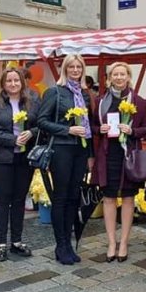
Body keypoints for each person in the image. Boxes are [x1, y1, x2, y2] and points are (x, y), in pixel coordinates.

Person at [39, 54, 94, 264]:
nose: (75, 70)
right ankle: (60, 244)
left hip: (80, 150)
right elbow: (42, 121)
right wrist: (67, 129)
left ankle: (69, 243)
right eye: (71, 66)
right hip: (61, 149)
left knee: (73, 197)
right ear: (65, 69)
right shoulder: (55, 92)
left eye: (78, 67)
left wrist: (90, 154)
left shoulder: (84, 94)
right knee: (60, 197)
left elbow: (89, 125)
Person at [91, 61, 146, 262]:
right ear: (109, 78)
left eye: (122, 74)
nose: (119, 78)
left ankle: (124, 242)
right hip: (107, 156)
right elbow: (92, 126)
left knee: (127, 198)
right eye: (115, 74)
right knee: (108, 198)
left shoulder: (139, 102)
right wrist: (100, 130)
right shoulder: (100, 101)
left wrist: (132, 131)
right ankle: (111, 242)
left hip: (128, 156)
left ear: (128, 76)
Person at [0, 68, 39, 261]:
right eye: (9, 81)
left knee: (19, 198)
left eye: (16, 80)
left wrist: (31, 133)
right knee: (2, 199)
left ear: (22, 82)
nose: (13, 84)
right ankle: (0, 243)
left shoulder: (32, 101)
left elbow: (41, 123)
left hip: (24, 158)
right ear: (3, 84)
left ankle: (16, 241)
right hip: (1, 158)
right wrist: (12, 139)